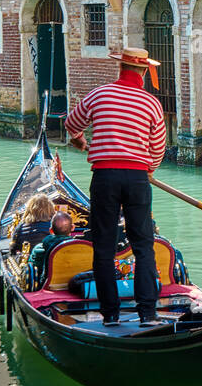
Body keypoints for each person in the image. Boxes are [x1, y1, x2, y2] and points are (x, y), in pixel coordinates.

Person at [64, 47, 166, 327]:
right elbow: (158, 148)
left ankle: (110, 315)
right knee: (144, 245)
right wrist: (148, 171)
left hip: (105, 176)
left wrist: (80, 141)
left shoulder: (100, 94)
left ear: (120, 67)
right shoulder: (151, 104)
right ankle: (147, 314)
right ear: (144, 71)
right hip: (137, 179)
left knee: (104, 246)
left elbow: (71, 123)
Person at [29, 211, 76, 288]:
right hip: (74, 286)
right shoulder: (80, 248)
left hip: (47, 287)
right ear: (73, 227)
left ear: (51, 230)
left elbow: (32, 269)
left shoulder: (38, 249)